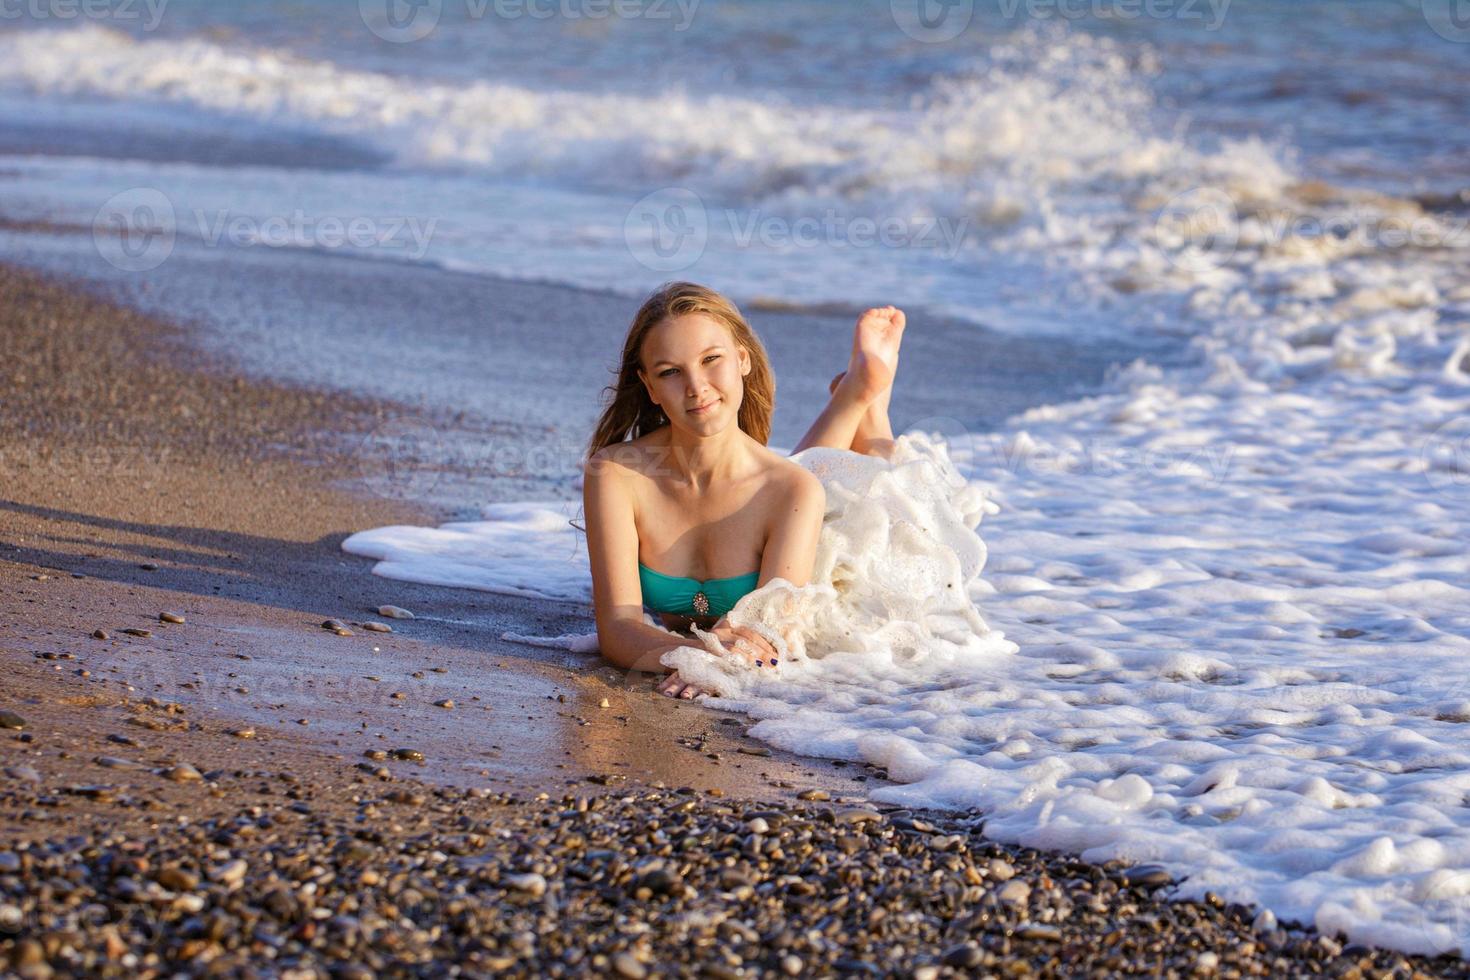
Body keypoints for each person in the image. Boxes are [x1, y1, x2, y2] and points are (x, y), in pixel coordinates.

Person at [582, 281, 906, 699]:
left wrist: (701, 653)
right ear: (649, 387)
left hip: (831, 566)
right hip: (773, 487)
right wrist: (699, 655)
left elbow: (773, 640)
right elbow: (617, 631)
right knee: (793, 475)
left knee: (881, 496)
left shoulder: (792, 491)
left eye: (711, 360)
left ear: (743, 360)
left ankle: (868, 403)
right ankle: (854, 395)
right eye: (670, 372)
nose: (696, 387)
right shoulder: (615, 474)